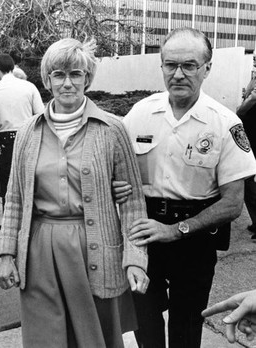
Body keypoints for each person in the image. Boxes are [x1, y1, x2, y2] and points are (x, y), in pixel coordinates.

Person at [0, 38, 149, 348]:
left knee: (94, 337)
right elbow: (14, 199)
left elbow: (133, 203)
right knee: (46, 338)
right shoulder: (28, 130)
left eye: (75, 74)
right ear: (47, 79)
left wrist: (135, 258)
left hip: (93, 245)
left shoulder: (112, 129)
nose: (67, 83)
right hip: (39, 248)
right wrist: (6, 255)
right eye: (58, 74)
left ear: (87, 78)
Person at [114, 27, 256, 348]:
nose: (178, 74)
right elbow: (116, 173)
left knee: (186, 327)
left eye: (189, 65)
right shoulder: (140, 113)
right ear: (162, 66)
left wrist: (176, 230)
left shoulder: (224, 123)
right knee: (144, 324)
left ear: (207, 68)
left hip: (194, 240)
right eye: (170, 65)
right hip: (144, 235)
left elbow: (233, 204)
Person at [0, 53, 44, 207]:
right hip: (28, 136)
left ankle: (8, 220)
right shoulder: (28, 86)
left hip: (4, 141)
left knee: (7, 182)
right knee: (27, 180)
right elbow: (40, 115)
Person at [236, 52, 256, 237]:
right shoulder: (254, 76)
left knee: (248, 176)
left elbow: (251, 99)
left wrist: (238, 112)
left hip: (252, 131)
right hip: (250, 129)